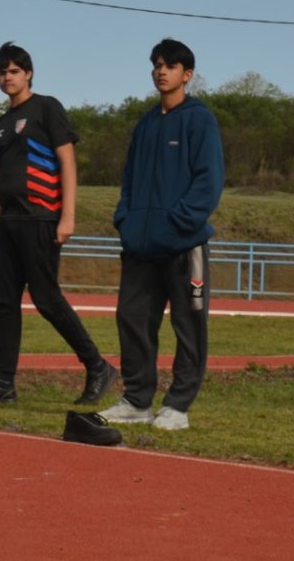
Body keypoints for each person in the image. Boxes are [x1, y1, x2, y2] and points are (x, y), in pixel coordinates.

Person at [0, 42, 118, 405]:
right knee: (4, 302)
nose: (7, 77)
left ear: (28, 73)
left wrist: (68, 217)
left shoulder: (47, 107)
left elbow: (68, 163)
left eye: (13, 71)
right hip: (10, 224)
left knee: (46, 299)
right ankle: (3, 384)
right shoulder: (0, 125)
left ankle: (97, 366)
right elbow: (0, 186)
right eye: (1, 72)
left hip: (42, 218)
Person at [99, 38, 224, 431]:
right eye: (156, 64)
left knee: (188, 325)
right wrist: (127, 220)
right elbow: (129, 180)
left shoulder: (199, 119)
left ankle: (179, 406)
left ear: (187, 75)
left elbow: (209, 181)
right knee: (132, 319)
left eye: (170, 65)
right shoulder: (146, 123)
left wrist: (178, 223)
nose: (160, 71)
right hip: (140, 245)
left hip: (183, 244)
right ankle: (137, 401)